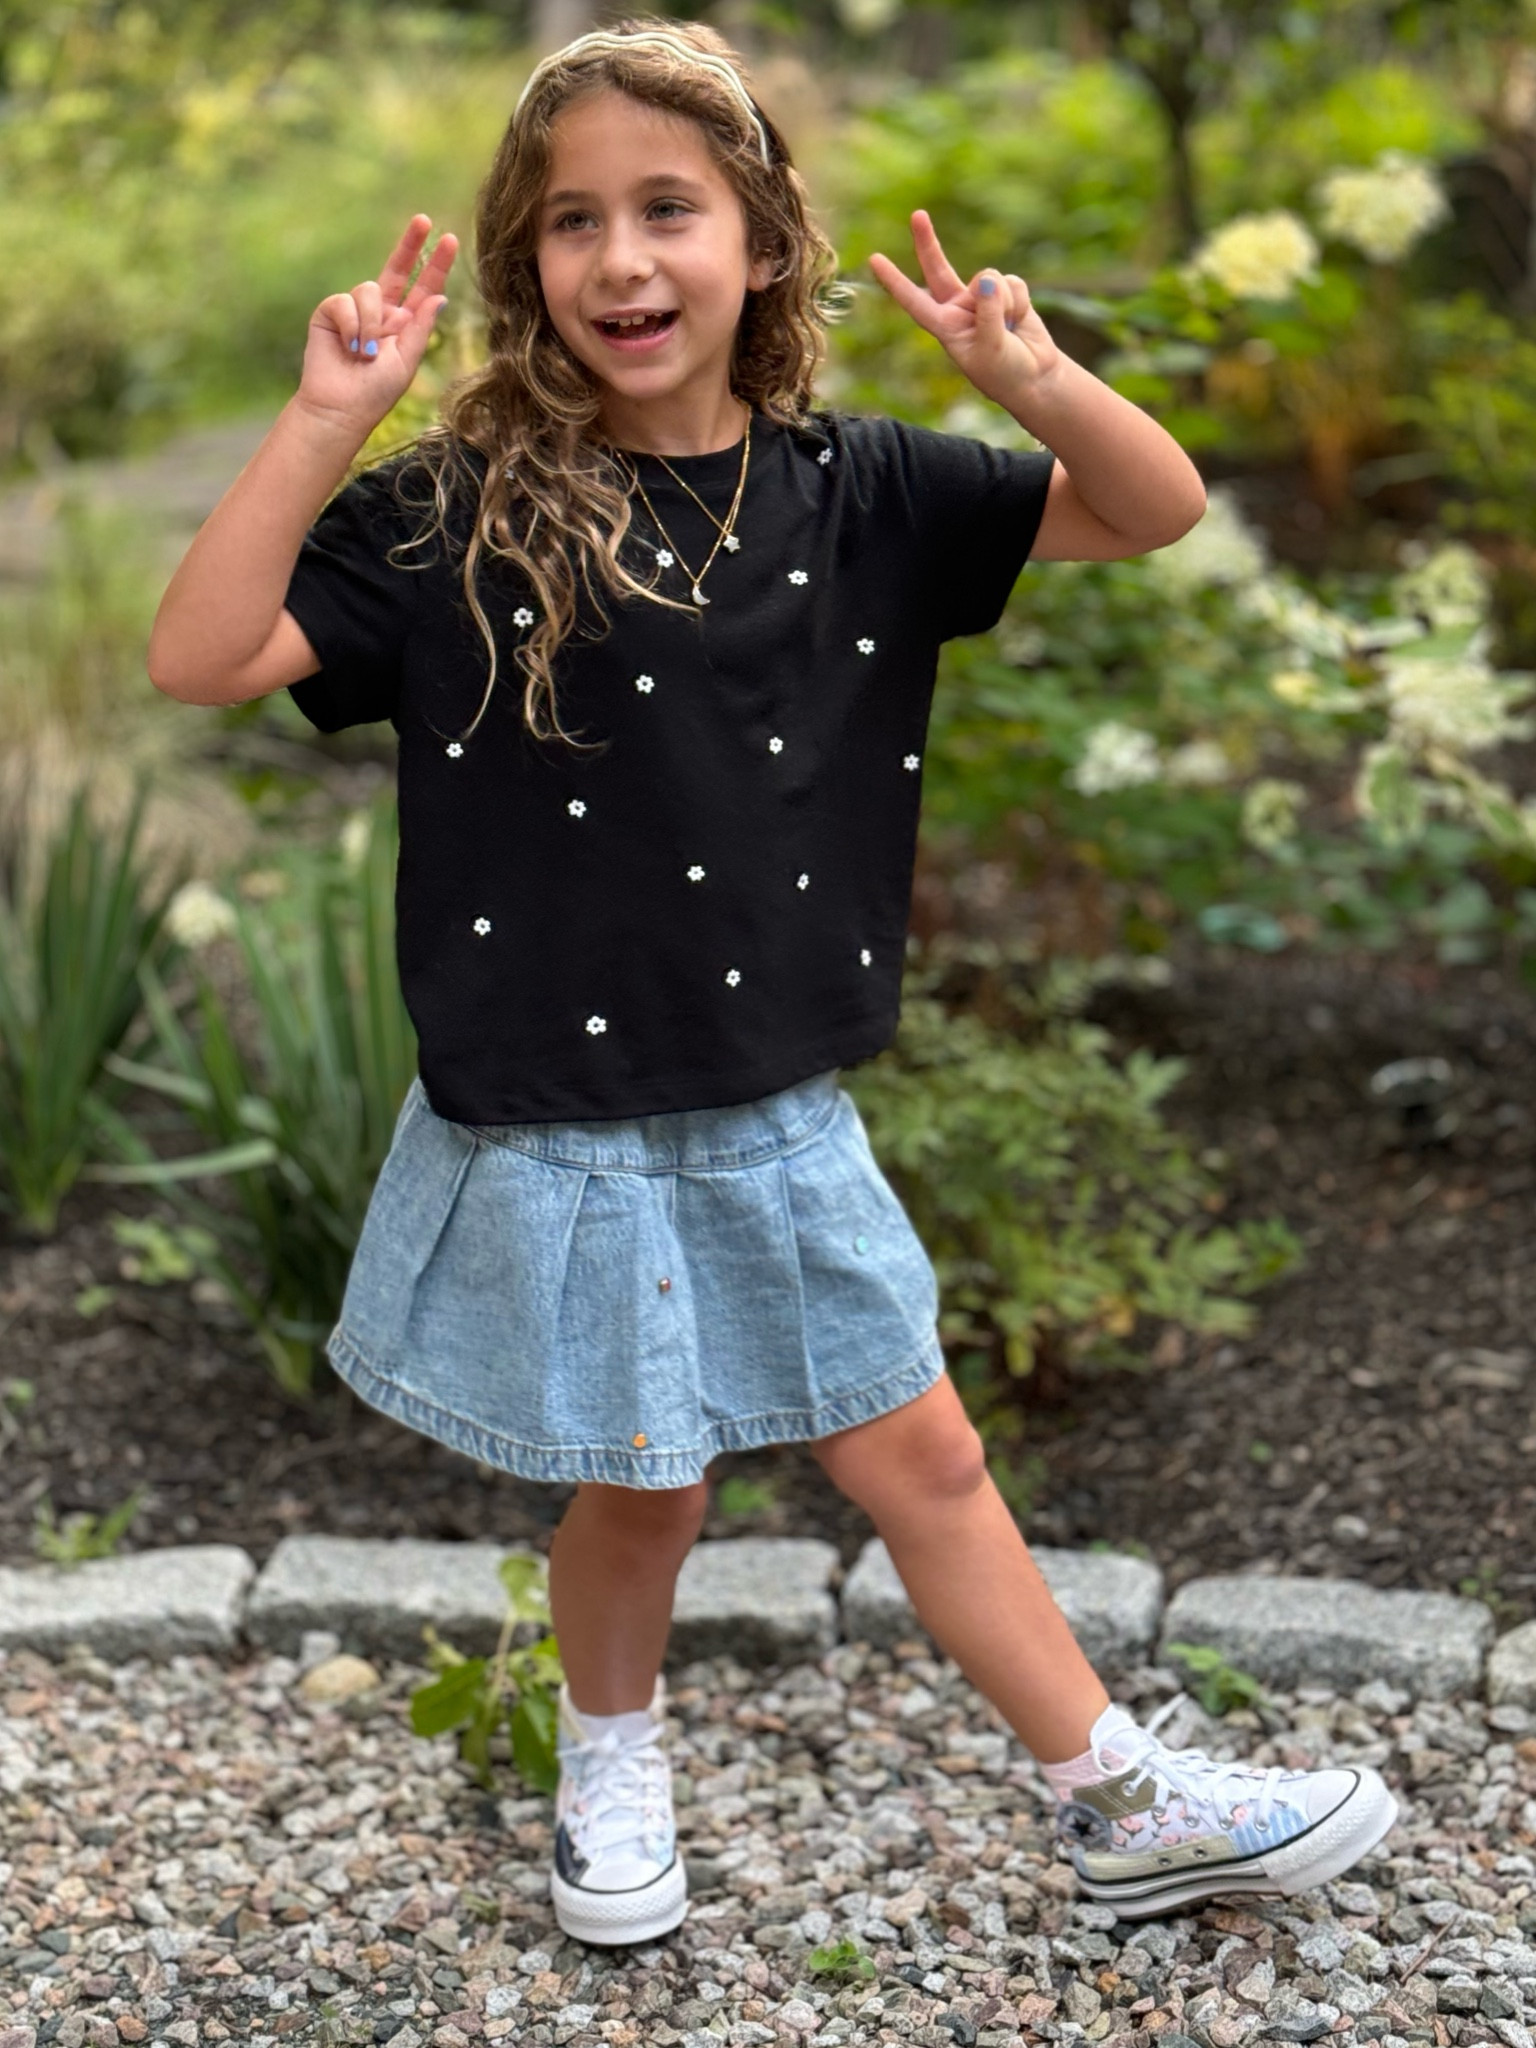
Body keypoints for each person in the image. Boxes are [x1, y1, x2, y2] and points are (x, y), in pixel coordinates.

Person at [148, 17, 1398, 1949]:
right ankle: (610, 1767)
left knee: (928, 1451)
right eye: (574, 221)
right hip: (563, 1105)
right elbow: (205, 655)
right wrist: (330, 419)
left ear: (762, 239)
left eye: (670, 207)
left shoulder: (866, 494)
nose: (623, 259)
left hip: (773, 1093)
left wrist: (1036, 376)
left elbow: (1155, 509)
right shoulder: (456, 505)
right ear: (522, 262)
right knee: (648, 1490)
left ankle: (1116, 1799)